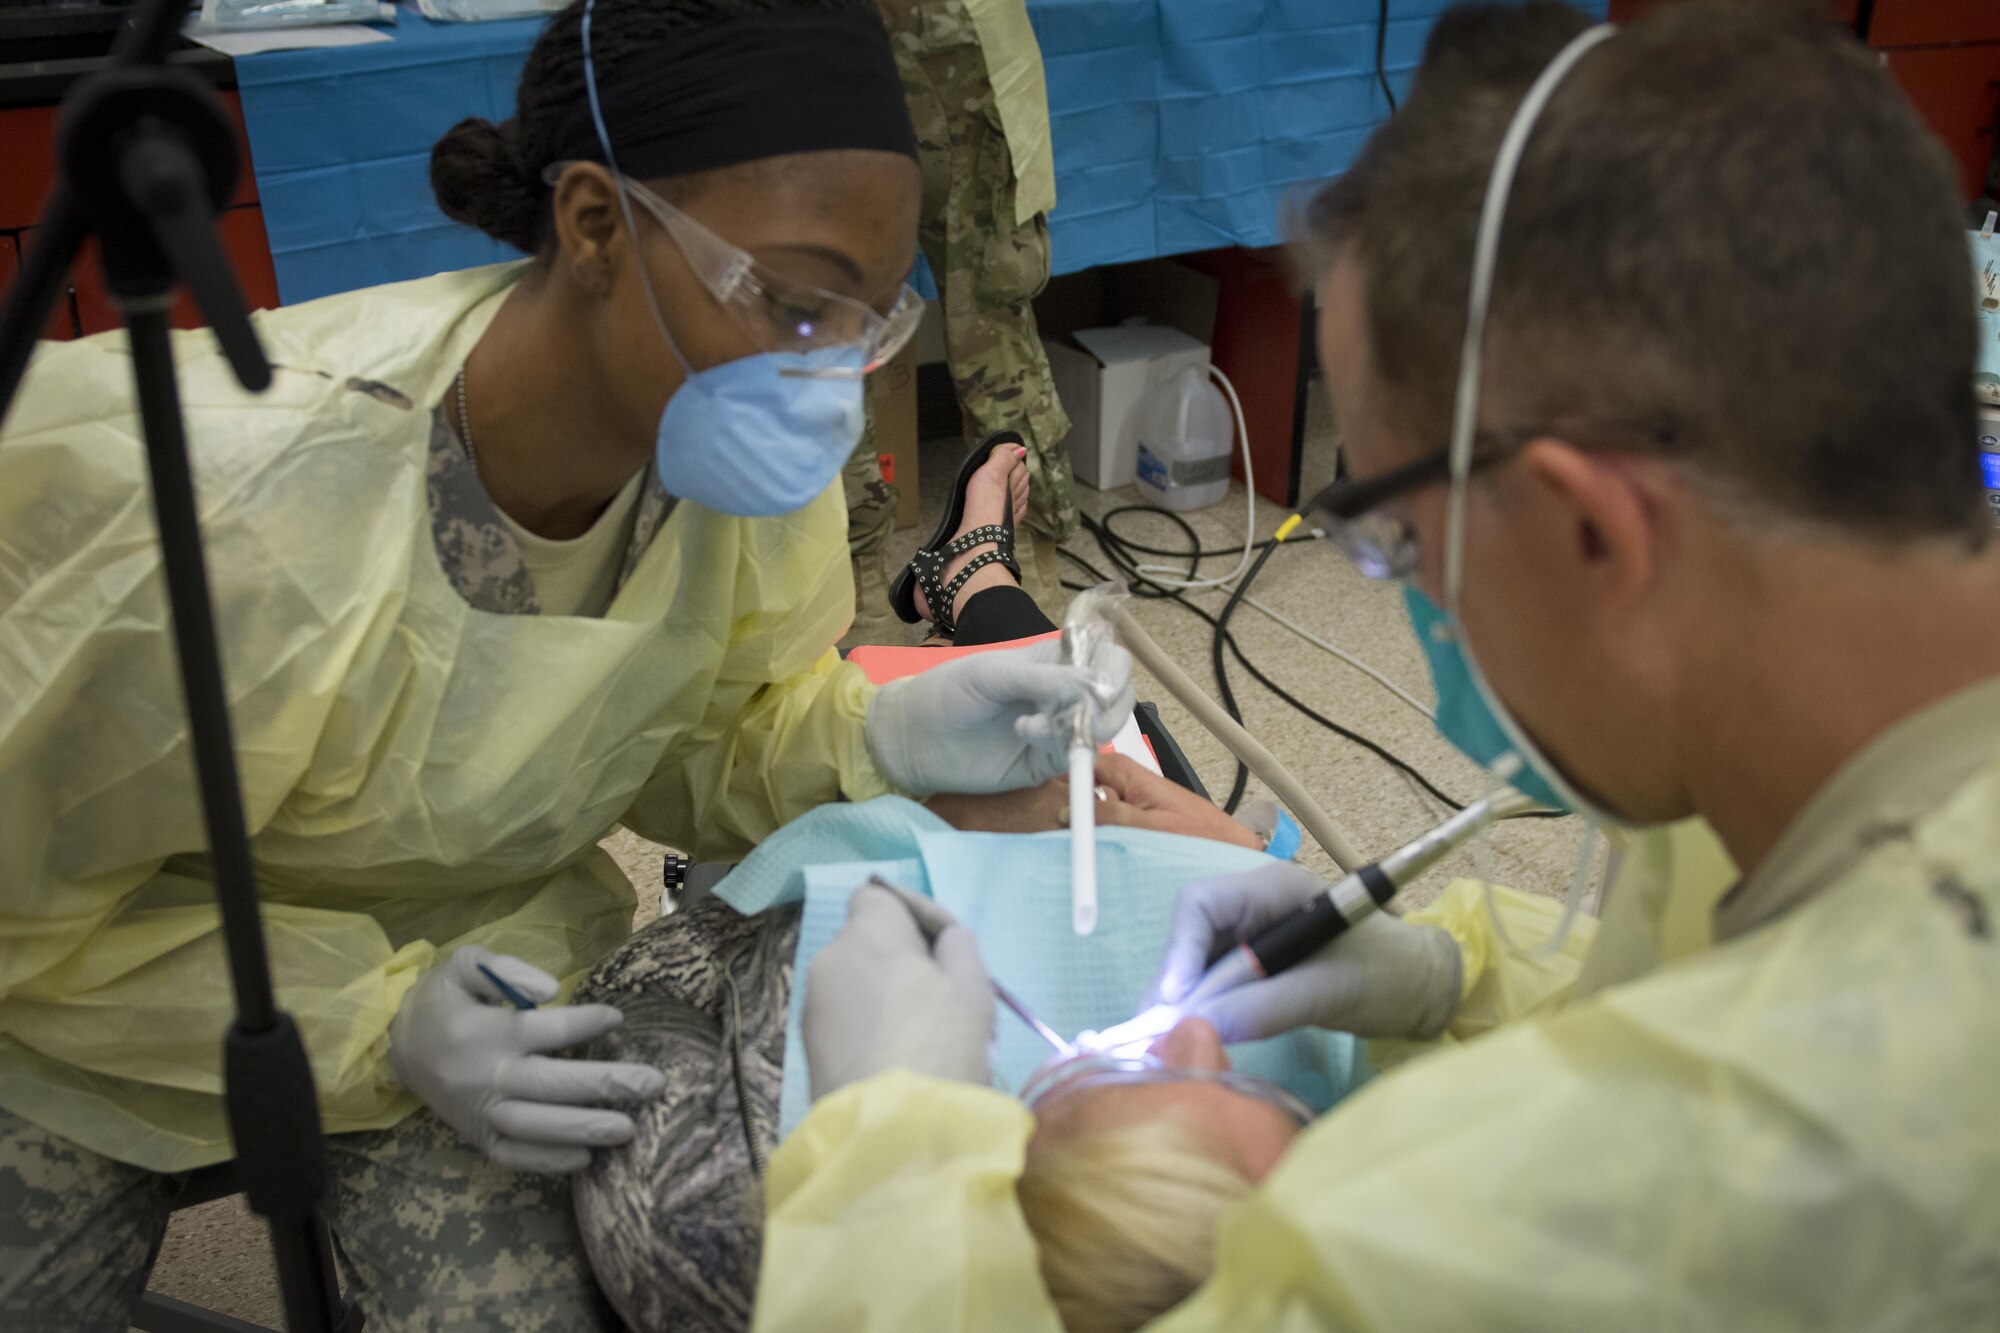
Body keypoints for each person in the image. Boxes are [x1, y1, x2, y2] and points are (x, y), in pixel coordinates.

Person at [753, 3, 2000, 1330]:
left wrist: (890, 1162)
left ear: (1591, 529)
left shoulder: (1606, 1214)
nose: (1401, 590)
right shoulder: (1816, 769)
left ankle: (979, 578)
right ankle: (982, 578)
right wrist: (1451, 971)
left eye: (1391, 532)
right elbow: (1673, 961)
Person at [0, 0, 1132, 1326]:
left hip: (493, 964)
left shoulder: (729, 471)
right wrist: (365, 1026)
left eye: (870, 323)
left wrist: (886, 732)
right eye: (791, 301)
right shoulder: (226, 503)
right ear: (595, 224)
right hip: (104, 988)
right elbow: (28, 907)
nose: (829, 385)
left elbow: (699, 742)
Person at [840, 0, 1076, 646]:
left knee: (992, 325)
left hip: (963, 39)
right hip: (815, 42)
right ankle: (851, 585)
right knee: (827, 318)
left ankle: (1009, 566)